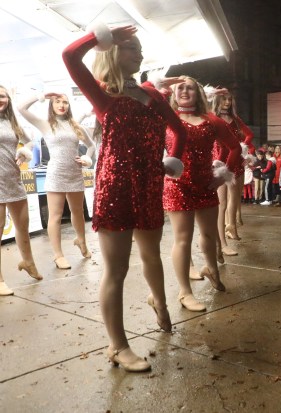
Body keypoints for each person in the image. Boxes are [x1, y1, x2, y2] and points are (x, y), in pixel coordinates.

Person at [63, 23, 187, 372]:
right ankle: (117, 345)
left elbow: (178, 131)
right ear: (114, 50)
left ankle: (160, 303)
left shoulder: (151, 93)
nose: (139, 54)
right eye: (132, 47)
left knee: (152, 255)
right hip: (115, 188)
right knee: (116, 269)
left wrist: (171, 161)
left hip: (149, 184)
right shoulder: (102, 92)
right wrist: (100, 37)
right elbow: (69, 55)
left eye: (140, 49)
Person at [163, 76, 240, 312]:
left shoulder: (211, 120)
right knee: (182, 239)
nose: (185, 91)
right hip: (177, 185)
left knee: (209, 233)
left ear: (198, 93)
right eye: (180, 88)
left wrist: (222, 175)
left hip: (205, 184)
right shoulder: (166, 118)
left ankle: (212, 270)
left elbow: (235, 147)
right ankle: (185, 292)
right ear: (173, 93)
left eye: (190, 88)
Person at [18, 92, 96, 269]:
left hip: (75, 173)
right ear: (51, 105)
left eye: (65, 102)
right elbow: (21, 108)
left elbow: (91, 146)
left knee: (78, 211)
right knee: (55, 215)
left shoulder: (75, 125)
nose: (62, 105)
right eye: (58, 102)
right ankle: (58, 255)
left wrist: (87, 158)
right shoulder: (45, 124)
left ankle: (81, 241)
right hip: (56, 174)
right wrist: (41, 96)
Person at [0, 85, 43, 296]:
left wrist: (25, 151)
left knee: (22, 225)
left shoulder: (12, 122)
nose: (0, 99)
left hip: (13, 179)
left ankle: (28, 262)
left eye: (2, 96)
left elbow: (30, 141)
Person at [206, 86, 254, 257]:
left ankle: (231, 227)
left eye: (229, 99)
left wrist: (244, 148)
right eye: (224, 99)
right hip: (219, 165)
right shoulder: (212, 118)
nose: (227, 102)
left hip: (235, 162)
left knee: (234, 199)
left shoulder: (235, 119)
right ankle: (222, 242)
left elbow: (249, 134)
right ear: (218, 100)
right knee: (222, 204)